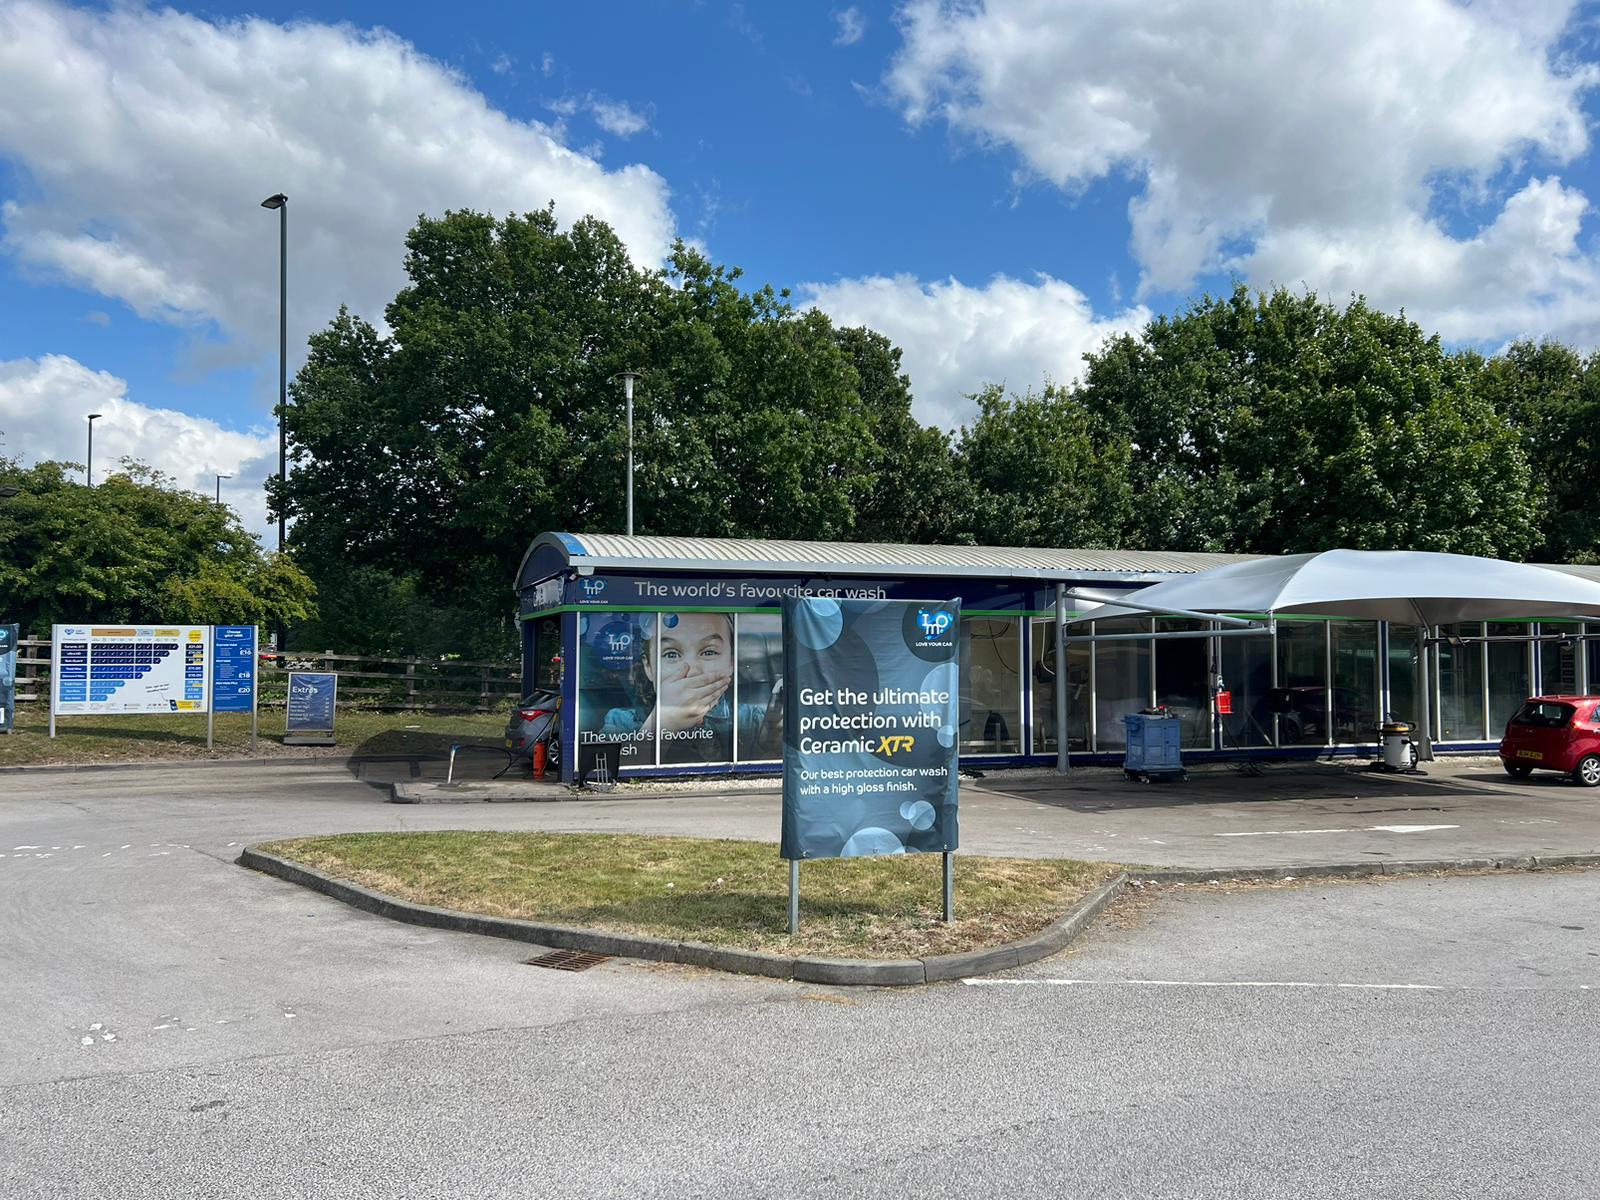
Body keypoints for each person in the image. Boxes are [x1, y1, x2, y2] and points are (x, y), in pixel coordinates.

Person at [600, 612, 768, 763]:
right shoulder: (620, 722)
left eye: (709, 652)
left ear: (731, 662)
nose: (692, 670)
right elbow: (606, 772)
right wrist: (664, 722)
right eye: (671, 654)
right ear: (648, 668)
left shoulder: (753, 720)